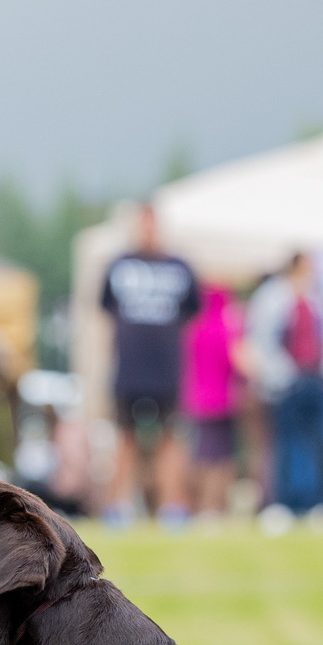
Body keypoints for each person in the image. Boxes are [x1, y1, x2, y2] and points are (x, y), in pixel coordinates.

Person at [98, 207, 200, 526]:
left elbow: (192, 313)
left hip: (166, 371)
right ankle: (118, 507)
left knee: (170, 438)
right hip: (129, 370)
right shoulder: (119, 266)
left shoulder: (179, 267)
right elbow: (105, 312)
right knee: (124, 437)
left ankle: (173, 508)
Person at [245, 251, 323, 522]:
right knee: (289, 444)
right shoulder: (272, 297)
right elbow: (261, 338)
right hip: (287, 382)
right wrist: (280, 374)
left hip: (321, 380)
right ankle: (287, 503)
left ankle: (321, 502)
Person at [178, 281, 246, 517]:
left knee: (199, 456)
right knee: (222, 458)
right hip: (222, 402)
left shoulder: (193, 327)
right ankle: (215, 507)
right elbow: (237, 361)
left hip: (195, 402)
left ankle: (196, 506)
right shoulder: (227, 328)